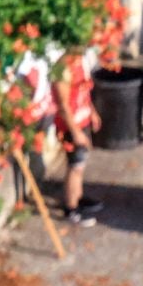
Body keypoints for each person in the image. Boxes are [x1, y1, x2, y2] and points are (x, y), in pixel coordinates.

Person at [54, 47, 102, 225]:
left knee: (80, 165)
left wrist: (92, 111)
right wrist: (75, 133)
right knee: (75, 166)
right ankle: (71, 207)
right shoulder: (62, 69)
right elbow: (63, 106)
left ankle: (78, 196)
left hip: (82, 121)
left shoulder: (80, 62)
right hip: (71, 126)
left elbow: (84, 90)